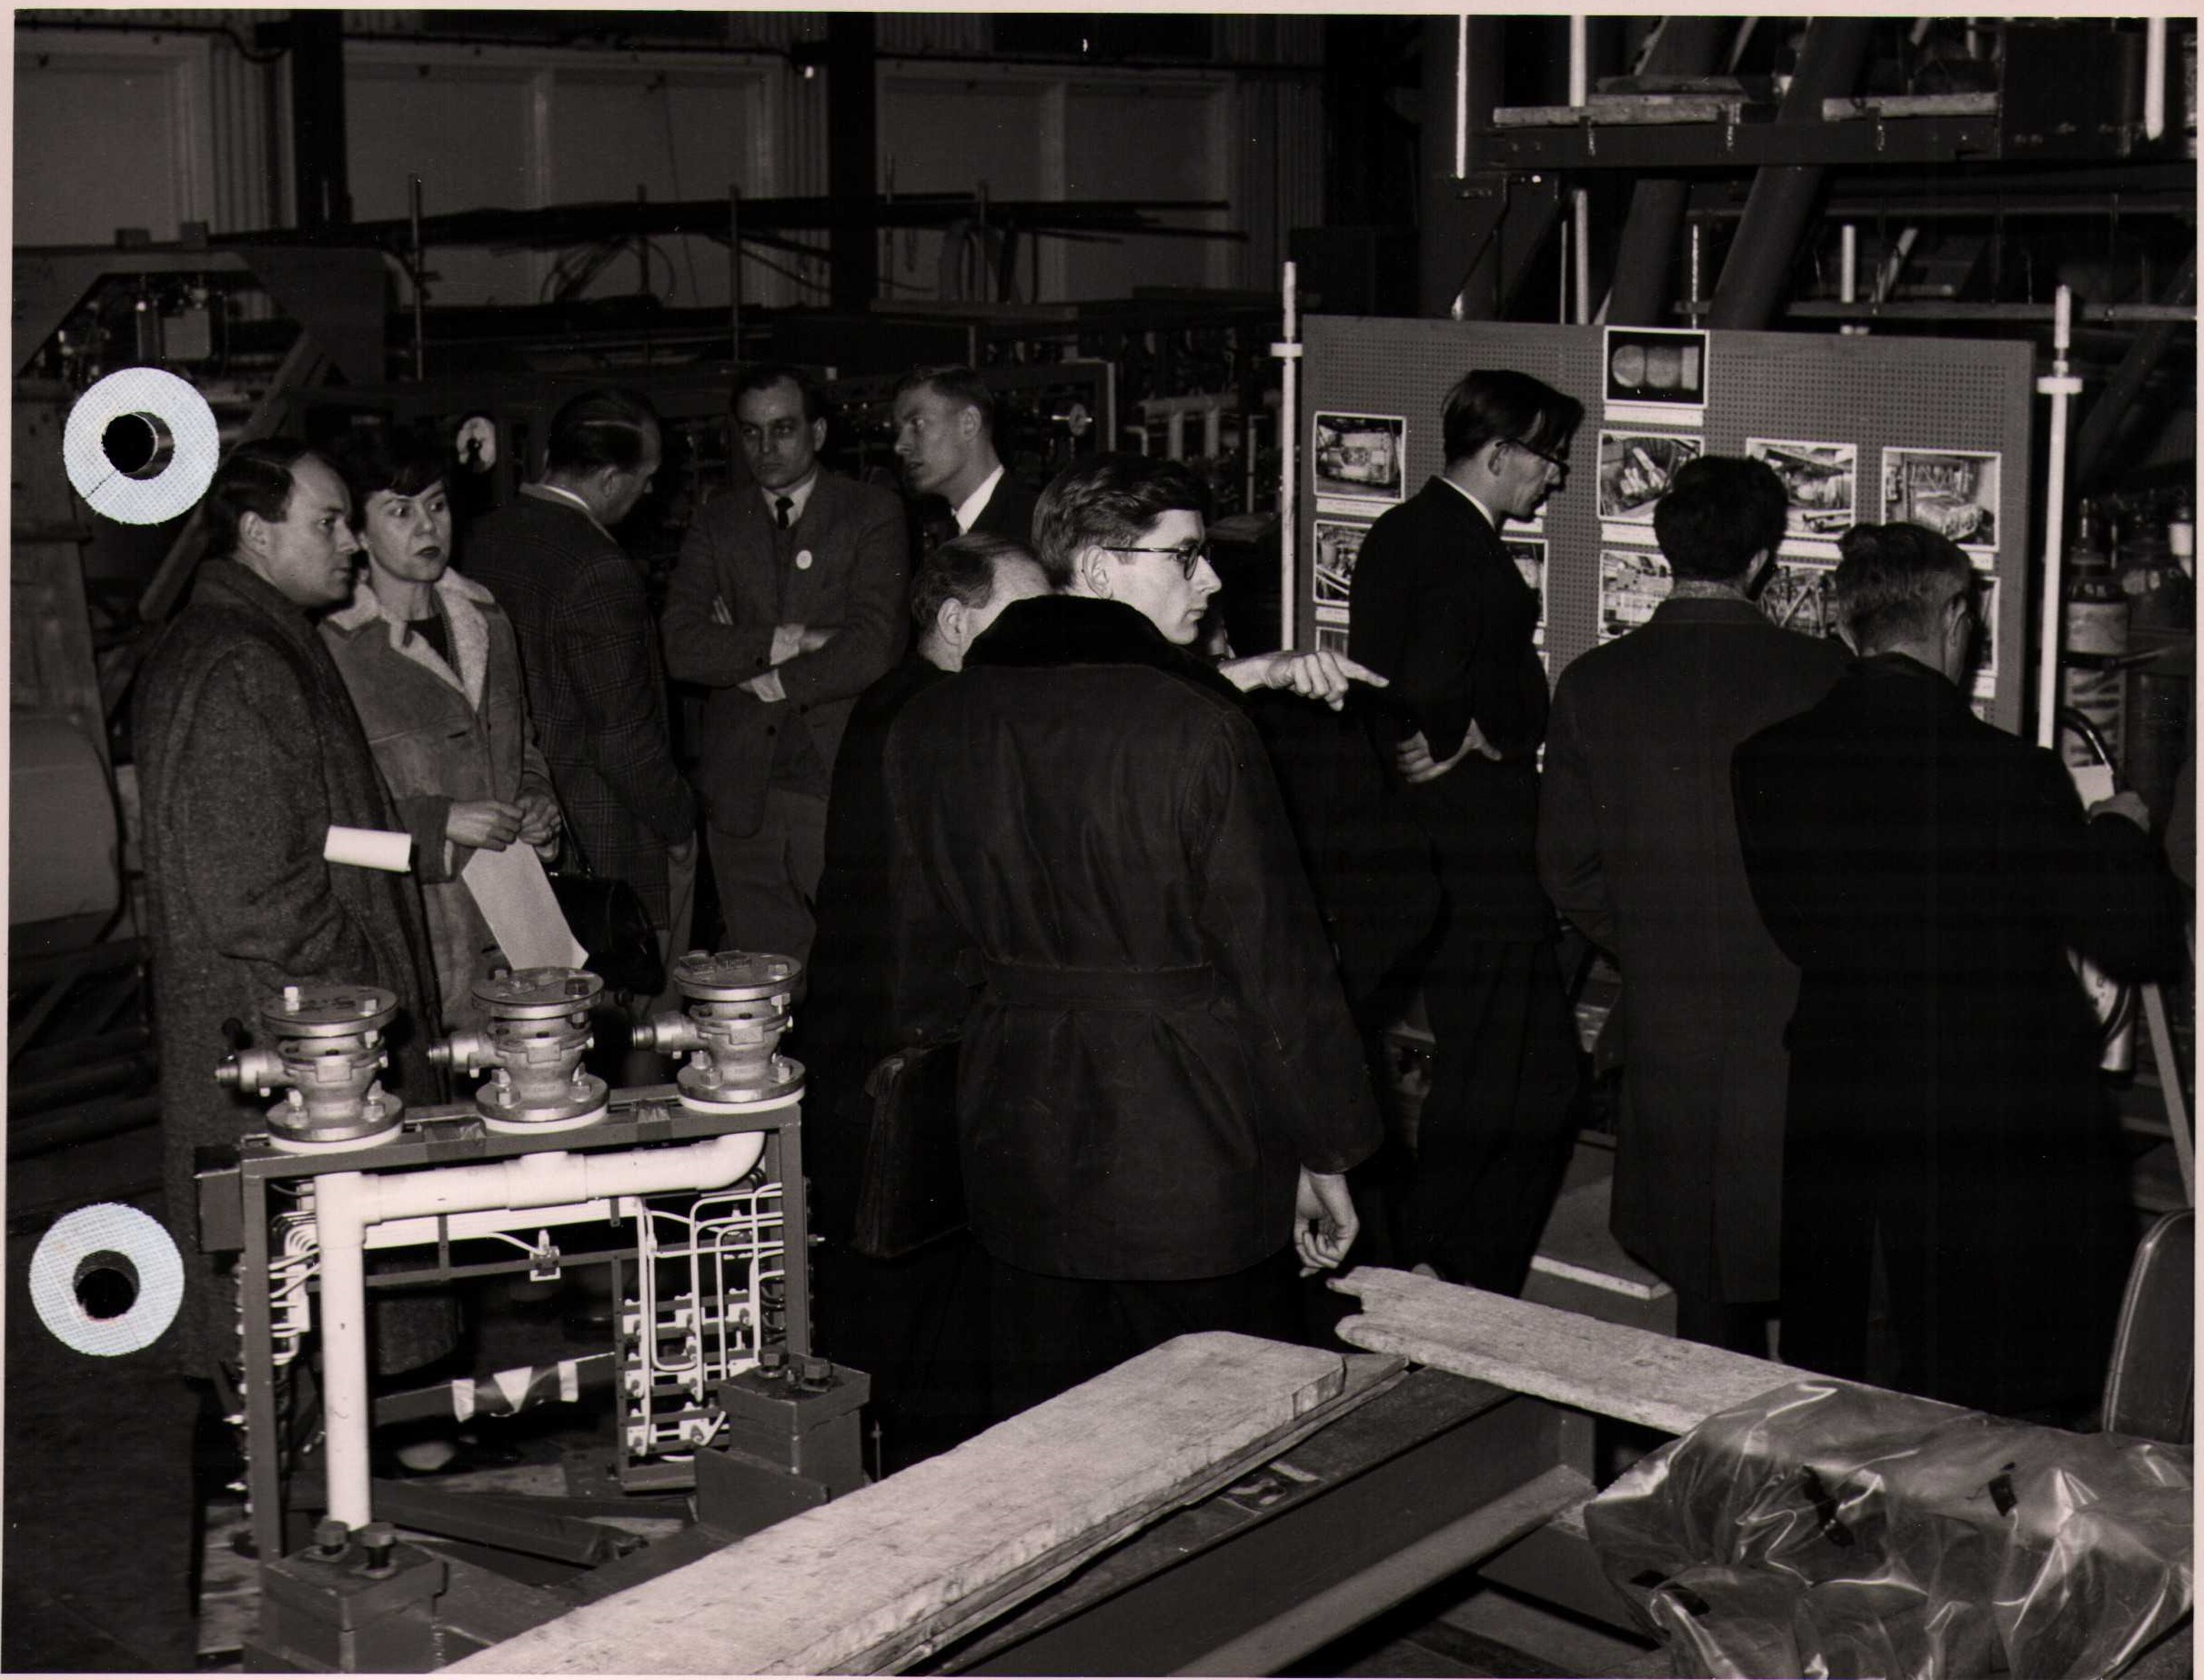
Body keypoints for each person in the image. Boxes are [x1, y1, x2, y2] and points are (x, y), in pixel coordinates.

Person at [881, 454, 1384, 1421]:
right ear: (1099, 568)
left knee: (1050, 1435)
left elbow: (917, 974)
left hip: (1013, 1143)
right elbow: (1279, 970)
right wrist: (1325, 1148)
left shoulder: (929, 725)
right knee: (1222, 1434)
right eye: (1185, 555)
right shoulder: (1193, 727)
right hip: (1193, 1142)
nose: (1212, 578)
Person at [1733, 522, 2175, 1417]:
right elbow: (2128, 937)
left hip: (1837, 1092)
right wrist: (2119, 831)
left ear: (1844, 625)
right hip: (1978, 1112)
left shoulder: (1765, 760)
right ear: (1954, 618)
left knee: (1842, 1368)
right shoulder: (2013, 774)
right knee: (1967, 1375)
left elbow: (1798, 926)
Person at [1536, 457, 1848, 1352]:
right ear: (1761, 560)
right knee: (1806, 1256)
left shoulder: (1592, 682)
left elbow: (1565, 868)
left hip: (1666, 1014)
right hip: (1795, 1019)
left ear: (1665, 547)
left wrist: (1646, 940)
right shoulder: (1823, 673)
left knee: (1700, 1276)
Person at [803, 532, 1052, 1466]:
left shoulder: (907, 703)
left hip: (884, 1041)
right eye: (1021, 616)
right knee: (903, 1295)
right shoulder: (930, 717)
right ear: (954, 620)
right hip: (896, 1053)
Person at [1348, 369, 1585, 1294]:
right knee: (1519, 1080)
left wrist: (1423, 735)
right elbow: (1438, 681)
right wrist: (1475, 730)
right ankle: (1449, 1268)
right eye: (1548, 457)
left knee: (1502, 1072)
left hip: (1435, 857)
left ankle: (1434, 1257)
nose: (1554, 476)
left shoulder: (1400, 529)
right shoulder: (1460, 549)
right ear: (1498, 453)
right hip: (1480, 858)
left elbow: (1385, 683)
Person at [662, 364, 908, 968]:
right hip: (743, 789)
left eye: (783, 429)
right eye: (751, 432)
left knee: (856, 963)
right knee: (761, 971)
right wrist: (792, 639)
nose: (765, 447)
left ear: (818, 433)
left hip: (835, 777)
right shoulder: (718, 520)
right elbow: (683, 646)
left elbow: (873, 646)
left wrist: (759, 667)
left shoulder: (870, 512)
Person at [321, 427, 561, 1031]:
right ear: (357, 532)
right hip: (417, 932)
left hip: (518, 923)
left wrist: (537, 800)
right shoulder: (334, 649)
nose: (427, 527)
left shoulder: (486, 619)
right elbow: (326, 824)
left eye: (436, 505)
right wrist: (438, 822)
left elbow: (522, 745)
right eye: (400, 511)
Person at [462, 388, 698, 990]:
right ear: (611, 480)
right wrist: (679, 824)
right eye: (645, 479)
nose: (649, 492)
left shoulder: (481, 537)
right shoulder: (598, 567)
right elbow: (623, 740)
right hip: (605, 842)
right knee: (640, 1017)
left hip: (507, 842)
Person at [891, 366, 1039, 549]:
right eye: (899, 430)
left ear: (969, 423)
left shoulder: (1036, 531)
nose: (900, 445)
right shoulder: (955, 533)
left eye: (917, 423)